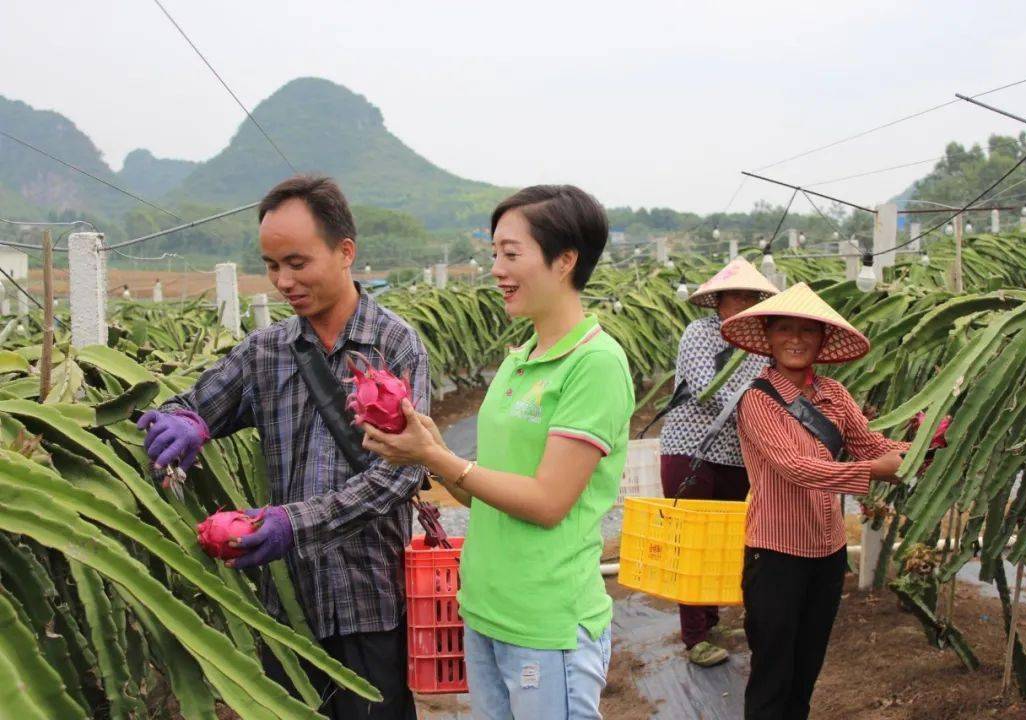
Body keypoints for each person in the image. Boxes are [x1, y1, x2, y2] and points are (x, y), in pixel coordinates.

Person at [137, 175, 427, 719]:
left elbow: (402, 474)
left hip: (371, 600)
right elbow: (195, 402)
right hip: (290, 606)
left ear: (345, 252)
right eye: (272, 266)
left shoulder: (393, 343)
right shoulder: (264, 351)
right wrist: (184, 422)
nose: (283, 281)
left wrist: (294, 523)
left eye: (297, 263)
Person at [362, 185, 633, 720]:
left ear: (565, 261)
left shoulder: (593, 364)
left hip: (545, 619)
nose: (496, 269)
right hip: (486, 609)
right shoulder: (520, 359)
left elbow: (547, 501)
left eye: (511, 254)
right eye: (494, 254)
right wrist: (426, 444)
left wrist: (439, 459)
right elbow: (483, 486)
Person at [720, 282, 908, 720]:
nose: (796, 339)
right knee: (772, 672)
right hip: (776, 553)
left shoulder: (835, 395)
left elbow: (870, 444)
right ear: (767, 337)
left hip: (827, 551)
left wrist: (924, 445)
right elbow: (796, 468)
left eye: (808, 330)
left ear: (823, 340)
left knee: (806, 668)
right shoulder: (757, 401)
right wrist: (873, 471)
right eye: (784, 328)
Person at [658, 257, 778, 667]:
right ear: (719, 300)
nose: (743, 302)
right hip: (689, 449)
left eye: (751, 296)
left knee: (722, 539)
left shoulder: (763, 343)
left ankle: (709, 620)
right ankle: (694, 638)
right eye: (736, 295)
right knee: (692, 538)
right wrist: (764, 421)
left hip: (735, 454)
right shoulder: (700, 333)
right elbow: (708, 389)